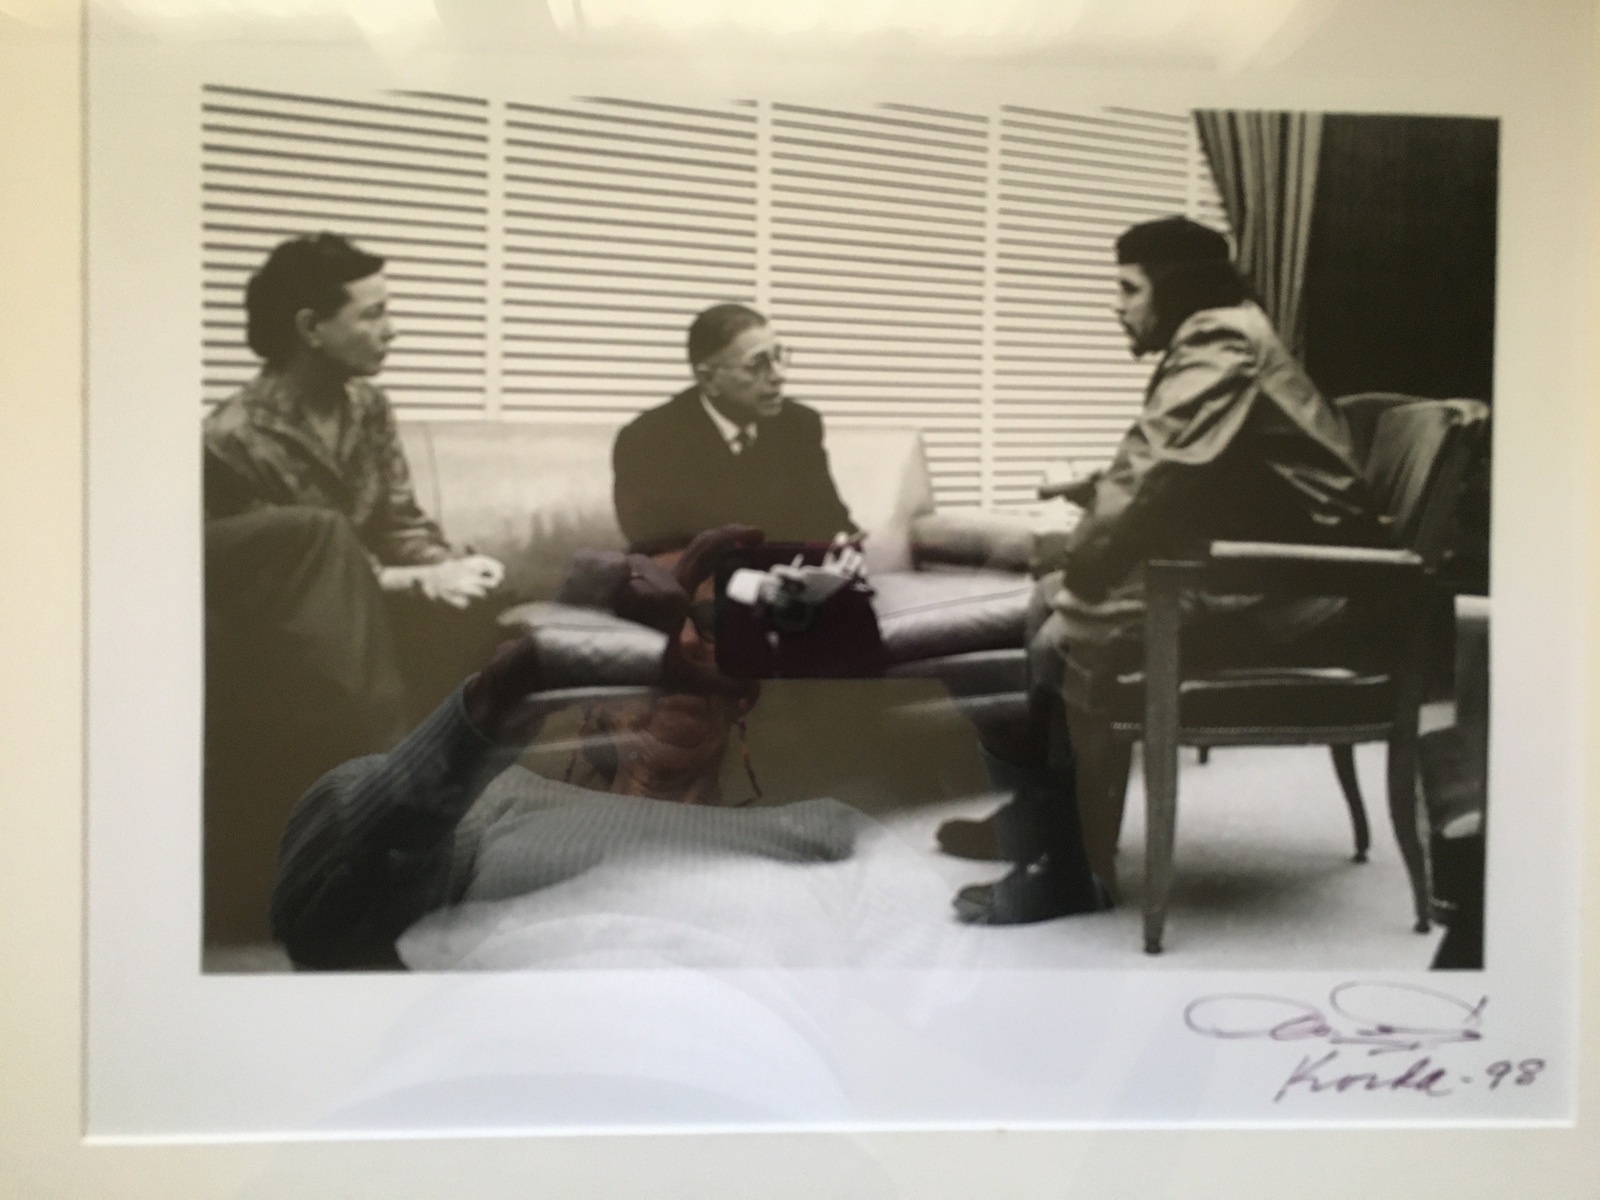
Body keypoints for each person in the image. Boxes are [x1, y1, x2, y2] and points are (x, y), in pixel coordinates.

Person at [949, 215, 1385, 925]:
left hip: (1301, 586)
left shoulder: (1221, 340)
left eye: (1129, 289)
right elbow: (1199, 469)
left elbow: (1157, 468)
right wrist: (1095, 499)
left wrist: (1084, 557)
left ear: (1175, 290)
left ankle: (1072, 870)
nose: (1117, 306)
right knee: (1046, 600)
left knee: (1065, 633)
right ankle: (1039, 819)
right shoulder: (1227, 333)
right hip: (1264, 565)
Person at [270, 525, 807, 969]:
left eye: (713, 624)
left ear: (746, 690)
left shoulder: (819, 833)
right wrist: (503, 697)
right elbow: (320, 921)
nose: (683, 642)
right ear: (592, 693)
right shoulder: (489, 807)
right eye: (646, 626)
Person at [202, 233, 506, 942]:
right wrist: (413, 577)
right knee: (328, 543)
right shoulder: (231, 437)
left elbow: (399, 520)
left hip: (382, 611)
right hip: (288, 636)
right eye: (373, 314)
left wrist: (447, 567)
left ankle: (461, 852)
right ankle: (383, 839)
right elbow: (290, 572)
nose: (391, 329)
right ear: (311, 327)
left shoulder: (368, 407)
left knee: (491, 610)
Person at [611, 303, 857, 555]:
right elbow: (657, 551)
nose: (778, 375)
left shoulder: (799, 425)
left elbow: (829, 517)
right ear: (708, 379)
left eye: (778, 357)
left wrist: (843, 547)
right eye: (756, 365)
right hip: (707, 579)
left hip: (795, 576)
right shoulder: (648, 441)